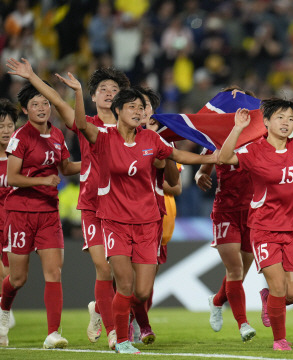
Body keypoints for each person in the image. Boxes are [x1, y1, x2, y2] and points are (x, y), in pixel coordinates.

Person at [71, 85, 217, 354]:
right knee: (124, 283)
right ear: (118, 110)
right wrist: (79, 92)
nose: (138, 112)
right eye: (132, 107)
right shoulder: (104, 137)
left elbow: (177, 156)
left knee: (141, 291)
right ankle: (122, 339)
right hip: (114, 222)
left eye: (141, 108)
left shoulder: (151, 140)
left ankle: (107, 310)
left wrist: (213, 156)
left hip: (149, 224)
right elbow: (81, 123)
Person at [6, 57, 130, 349]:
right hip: (93, 206)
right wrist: (33, 76)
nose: (109, 92)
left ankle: (99, 309)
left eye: (114, 88)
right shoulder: (86, 124)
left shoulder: (131, 127)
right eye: (102, 88)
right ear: (93, 95)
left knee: (131, 280)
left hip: (124, 206)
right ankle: (113, 333)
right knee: (104, 268)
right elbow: (55, 102)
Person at [219, 99, 293, 351]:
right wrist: (238, 128)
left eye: (291, 119)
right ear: (267, 122)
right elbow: (224, 157)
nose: (286, 123)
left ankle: (267, 300)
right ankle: (279, 339)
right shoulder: (253, 151)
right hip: (264, 229)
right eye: (281, 118)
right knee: (278, 287)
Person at [0, 81, 81, 348]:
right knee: (18, 278)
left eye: (45, 102)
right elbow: (12, 177)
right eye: (35, 104)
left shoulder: (57, 135)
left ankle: (53, 333)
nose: (42, 107)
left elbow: (66, 167)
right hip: (21, 212)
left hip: (48, 213)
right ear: (25, 109)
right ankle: (3, 312)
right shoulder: (20, 137)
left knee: (53, 272)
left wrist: (94, 162)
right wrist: (41, 182)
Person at [195, 88, 257, 342]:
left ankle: (217, 300)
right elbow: (204, 168)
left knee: (241, 271)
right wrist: (200, 176)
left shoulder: (263, 136)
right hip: (226, 212)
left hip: (254, 212)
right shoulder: (219, 138)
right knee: (234, 270)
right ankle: (243, 324)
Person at [130, 85, 182, 345]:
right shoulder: (119, 137)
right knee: (123, 276)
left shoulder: (164, 140)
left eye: (146, 106)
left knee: (145, 281)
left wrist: (165, 152)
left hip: (154, 216)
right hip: (122, 213)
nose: (142, 111)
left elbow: (176, 186)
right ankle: (133, 325)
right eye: (137, 106)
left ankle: (138, 321)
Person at [0, 99, 17, 340]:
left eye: (9, 126)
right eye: (1, 126)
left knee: (12, 274)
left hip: (13, 220)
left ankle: (4, 307)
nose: (5, 131)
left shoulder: (20, 155)